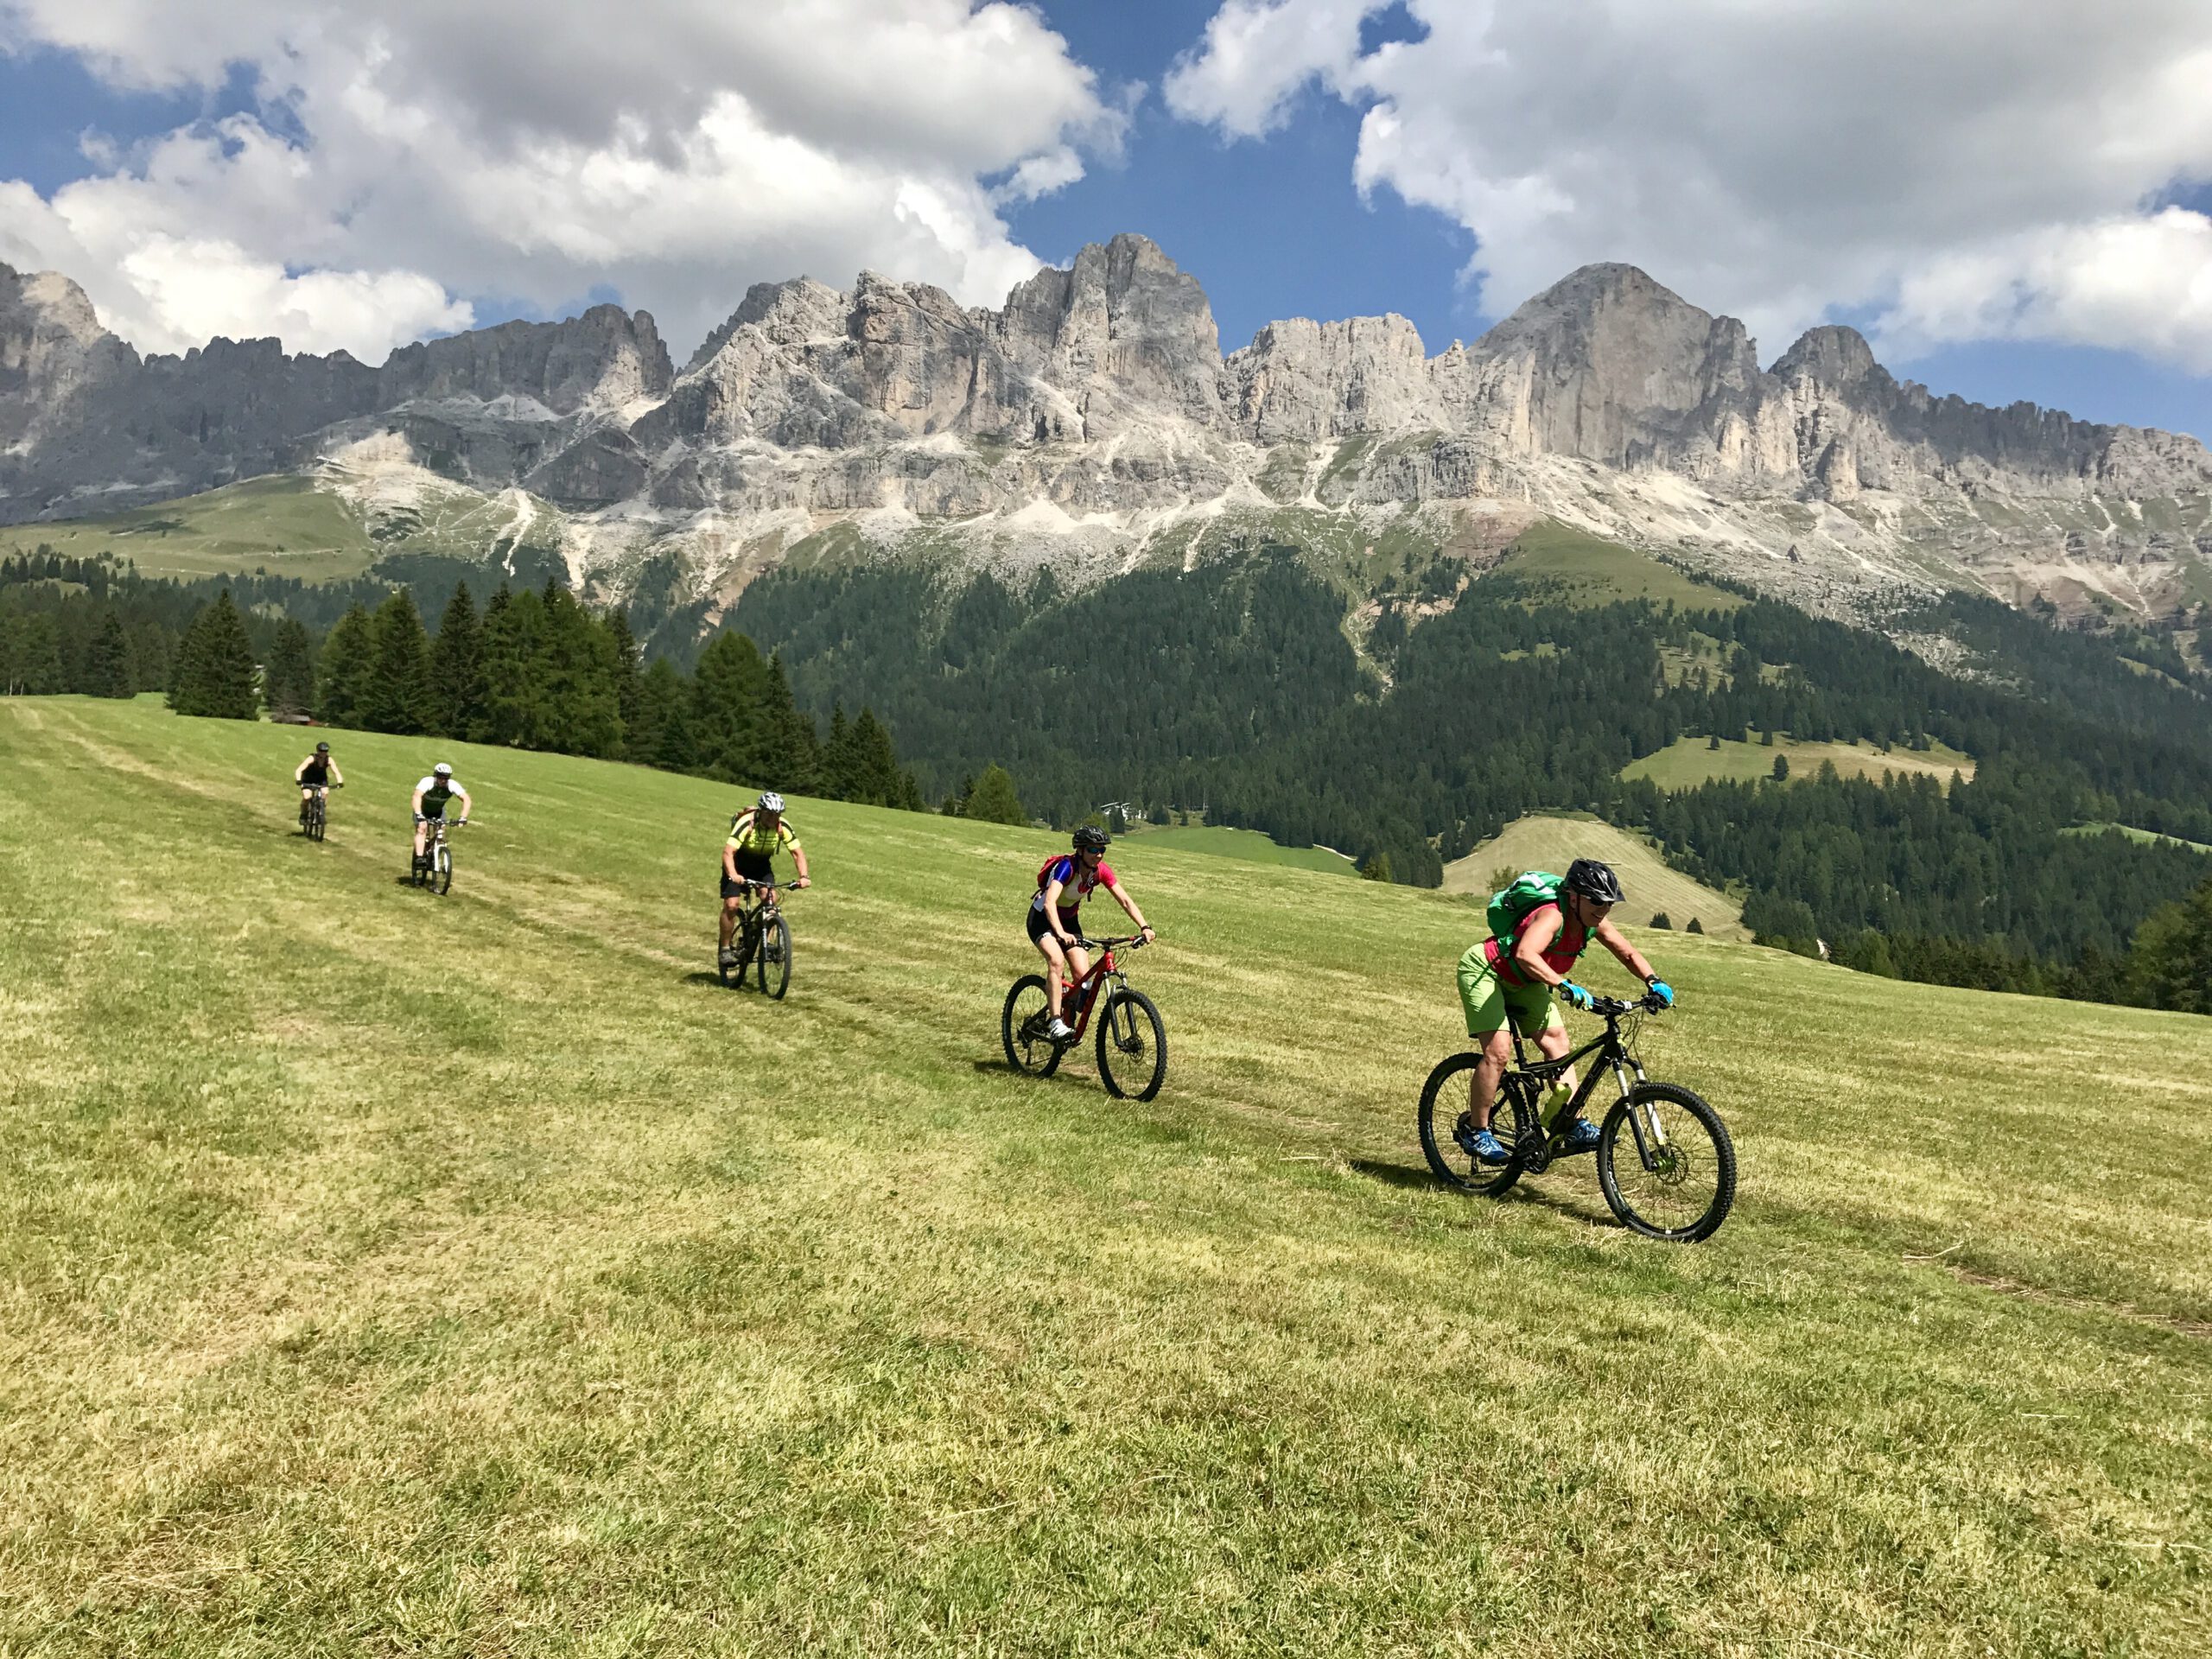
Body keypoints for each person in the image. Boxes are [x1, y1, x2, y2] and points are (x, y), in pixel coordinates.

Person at [1454, 858, 1675, 1166]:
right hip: (1486, 970)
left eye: (1609, 903)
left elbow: (1627, 953)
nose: (1603, 909)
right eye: (1596, 901)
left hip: (1525, 982)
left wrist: (1653, 981)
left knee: (1558, 1044)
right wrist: (1564, 984)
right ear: (1574, 897)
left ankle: (1571, 1123)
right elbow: (1525, 953)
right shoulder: (1552, 916)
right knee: (1499, 1052)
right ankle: (1476, 1131)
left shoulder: (1593, 922)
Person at [1029, 823, 1154, 1040]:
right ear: (1080, 850)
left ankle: (1066, 1008)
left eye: (1102, 849)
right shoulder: (1067, 867)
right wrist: (1060, 933)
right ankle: (1056, 1022)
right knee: (1056, 961)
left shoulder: (1100, 871)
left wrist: (1144, 926)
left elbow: (1124, 900)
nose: (1099, 855)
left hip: (1069, 922)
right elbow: (1049, 903)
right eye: (1093, 849)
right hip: (1043, 919)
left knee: (1083, 978)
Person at [719, 791, 811, 969]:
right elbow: (728, 852)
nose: (773, 818)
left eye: (777, 814)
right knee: (731, 905)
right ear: (761, 811)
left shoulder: (782, 827)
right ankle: (725, 949)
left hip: (761, 866)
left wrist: (804, 876)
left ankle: (765, 942)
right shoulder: (747, 824)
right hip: (737, 865)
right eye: (769, 813)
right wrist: (733, 874)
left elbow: (797, 853)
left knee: (771, 900)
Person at [410, 763, 472, 872]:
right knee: (422, 829)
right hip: (422, 810)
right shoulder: (427, 782)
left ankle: (434, 855)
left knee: (440, 833)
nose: (443, 781)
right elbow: (417, 796)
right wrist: (419, 814)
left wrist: (463, 817)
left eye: (446, 778)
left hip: (438, 811)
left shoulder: (452, 785)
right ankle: (419, 858)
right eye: (440, 777)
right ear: (435, 775)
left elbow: (466, 799)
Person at [295, 741, 341, 825]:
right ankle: (303, 815)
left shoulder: (329, 759)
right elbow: (299, 770)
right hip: (308, 779)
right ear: (318, 751)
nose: (323, 753)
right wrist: (298, 780)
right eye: (321, 751)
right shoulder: (312, 758)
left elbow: (336, 772)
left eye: (325, 751)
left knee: (325, 793)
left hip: (321, 779)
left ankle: (321, 813)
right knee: (307, 797)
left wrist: (340, 782)